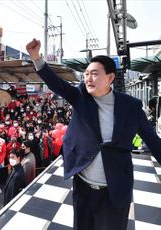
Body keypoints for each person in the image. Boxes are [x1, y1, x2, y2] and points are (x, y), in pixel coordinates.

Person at [26, 38, 161, 230]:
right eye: (86, 74)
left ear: (110, 78)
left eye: (94, 74)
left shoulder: (130, 107)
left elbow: (153, 141)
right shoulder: (81, 96)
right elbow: (57, 84)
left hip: (113, 191)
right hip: (83, 187)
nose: (88, 78)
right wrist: (36, 58)